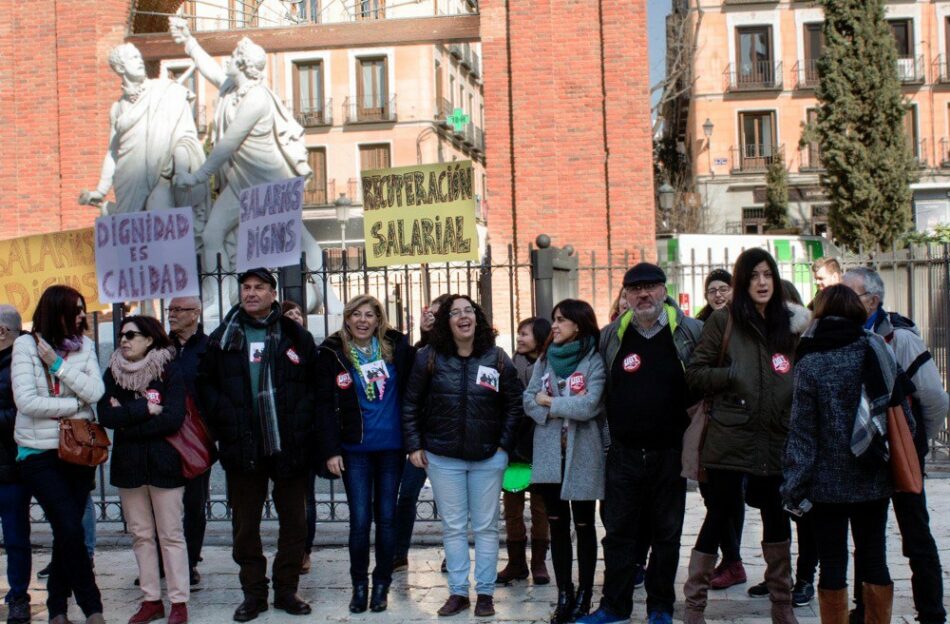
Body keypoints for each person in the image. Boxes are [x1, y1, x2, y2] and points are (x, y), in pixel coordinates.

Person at [684, 248, 810, 624]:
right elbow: (694, 374)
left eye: (768, 275)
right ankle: (694, 607)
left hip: (776, 437)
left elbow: (803, 375)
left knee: (776, 516)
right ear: (742, 282)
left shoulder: (790, 324)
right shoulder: (723, 321)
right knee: (719, 514)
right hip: (730, 436)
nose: (762, 282)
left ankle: (782, 606)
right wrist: (731, 374)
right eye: (754, 276)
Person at [580, 263, 702, 624]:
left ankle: (660, 607)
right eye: (635, 289)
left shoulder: (689, 331)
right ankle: (613, 607)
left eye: (650, 287)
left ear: (664, 290)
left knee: (667, 534)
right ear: (626, 295)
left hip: (670, 453)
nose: (643, 294)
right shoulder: (611, 335)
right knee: (618, 534)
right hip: (623, 453)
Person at [782, 284, 911, 623]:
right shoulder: (877, 349)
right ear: (857, 311)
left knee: (833, 564)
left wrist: (794, 484)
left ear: (819, 314)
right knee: (874, 558)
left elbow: (802, 434)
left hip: (827, 486)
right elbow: (902, 417)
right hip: (874, 476)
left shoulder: (810, 361)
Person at [197, 268, 318, 622]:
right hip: (243, 447)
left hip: (289, 446)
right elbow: (206, 386)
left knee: (294, 524)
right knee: (245, 527)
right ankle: (253, 594)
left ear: (272, 293)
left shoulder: (296, 335)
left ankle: (286, 591)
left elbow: (315, 386)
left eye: (259, 288)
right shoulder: (222, 336)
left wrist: (301, 423)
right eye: (246, 287)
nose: (251, 293)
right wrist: (228, 419)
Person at [402, 295, 522, 618]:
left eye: (469, 310)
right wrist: (414, 445)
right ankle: (458, 593)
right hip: (443, 457)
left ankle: (484, 594)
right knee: (453, 528)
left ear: (478, 318)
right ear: (447, 322)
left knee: (486, 527)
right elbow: (411, 403)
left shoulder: (497, 357)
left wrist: (503, 447)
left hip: (488, 457)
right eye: (455, 313)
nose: (463, 316)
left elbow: (514, 404)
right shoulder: (429, 357)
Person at [842, 267, 947, 624]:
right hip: (867, 455)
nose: (841, 301)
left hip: (901, 451)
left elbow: (934, 397)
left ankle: (931, 611)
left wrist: (917, 441)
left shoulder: (899, 338)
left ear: (872, 299)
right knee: (867, 537)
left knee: (915, 531)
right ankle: (866, 610)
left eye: (850, 294)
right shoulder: (845, 337)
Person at [12, 285, 105, 624]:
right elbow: (26, 402)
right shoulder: (25, 345)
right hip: (37, 452)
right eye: (76, 309)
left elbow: (96, 391)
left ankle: (57, 609)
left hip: (78, 451)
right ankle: (93, 607)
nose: (82, 315)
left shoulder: (85, 346)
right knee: (69, 526)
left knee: (67, 532)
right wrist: (74, 405)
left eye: (83, 308)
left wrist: (58, 366)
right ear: (56, 312)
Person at [316, 294, 413, 614]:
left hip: (391, 448)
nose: (362, 320)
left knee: (386, 519)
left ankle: (381, 584)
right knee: (359, 521)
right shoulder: (333, 353)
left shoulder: (395, 349)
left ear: (378, 319)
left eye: (369, 315)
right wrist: (330, 450)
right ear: (346, 318)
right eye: (356, 314)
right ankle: (359, 586)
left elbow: (420, 375)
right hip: (354, 450)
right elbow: (325, 407)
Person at [98, 315, 190, 624]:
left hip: (166, 464)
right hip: (129, 466)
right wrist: (144, 410)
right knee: (140, 535)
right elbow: (106, 419)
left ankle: (179, 602)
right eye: (122, 335)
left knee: (171, 535)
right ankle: (151, 600)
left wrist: (127, 419)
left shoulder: (169, 370)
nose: (124, 340)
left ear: (149, 339)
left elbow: (174, 418)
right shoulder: (112, 373)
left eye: (132, 335)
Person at [524, 301, 605, 624]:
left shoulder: (593, 360)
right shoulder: (545, 360)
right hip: (548, 455)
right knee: (557, 525)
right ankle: (564, 593)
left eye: (561, 320)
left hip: (583, 454)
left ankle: (585, 593)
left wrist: (551, 403)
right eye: (554, 320)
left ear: (579, 325)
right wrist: (554, 405)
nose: (553, 326)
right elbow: (529, 399)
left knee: (584, 525)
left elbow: (590, 406)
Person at [79, 43, 207, 216]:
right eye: (133, 58)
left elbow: (183, 136)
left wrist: (182, 169)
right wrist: (101, 190)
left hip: (160, 175)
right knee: (131, 227)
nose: (140, 61)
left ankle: (110, 210)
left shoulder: (165, 91)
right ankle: (110, 209)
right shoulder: (117, 108)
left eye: (140, 57)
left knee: (160, 215)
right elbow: (112, 152)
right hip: (127, 179)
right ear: (120, 67)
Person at [392, 293, 451, 573]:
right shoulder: (421, 351)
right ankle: (398, 552)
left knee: (451, 503)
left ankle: (454, 554)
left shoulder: (463, 350)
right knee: (407, 496)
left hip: (450, 440)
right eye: (432, 313)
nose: (434, 319)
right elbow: (412, 386)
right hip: (422, 441)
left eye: (440, 314)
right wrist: (424, 334)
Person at [496, 316, 552, 586]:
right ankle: (516, 563)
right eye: (518, 333)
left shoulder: (551, 366)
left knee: (541, 507)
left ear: (540, 338)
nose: (519, 338)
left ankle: (539, 562)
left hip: (541, 445)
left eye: (525, 334)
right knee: (513, 507)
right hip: (515, 446)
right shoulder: (508, 366)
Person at [167, 296, 212, 587]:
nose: (171, 315)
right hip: (164, 433)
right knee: (163, 504)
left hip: (198, 436)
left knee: (194, 504)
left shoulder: (209, 347)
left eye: (178, 310)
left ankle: (190, 561)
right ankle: (163, 562)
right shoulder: (159, 346)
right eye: (169, 309)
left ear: (195, 314)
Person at [0, 306, 31, 624]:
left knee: (15, 537)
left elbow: (24, 413)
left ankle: (19, 597)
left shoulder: (24, 364)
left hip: (12, 467)